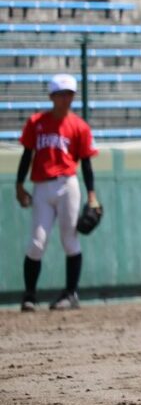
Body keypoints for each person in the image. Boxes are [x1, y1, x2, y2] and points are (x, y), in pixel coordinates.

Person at [15, 74, 100, 312]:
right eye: (61, 94)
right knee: (37, 242)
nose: (66, 99)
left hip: (67, 185)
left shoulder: (79, 126)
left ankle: (71, 293)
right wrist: (19, 185)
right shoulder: (36, 122)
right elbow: (26, 155)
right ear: (52, 96)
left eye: (69, 94)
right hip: (41, 186)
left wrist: (92, 195)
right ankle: (29, 295)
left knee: (69, 239)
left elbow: (86, 163)